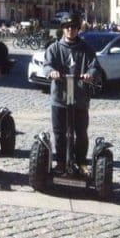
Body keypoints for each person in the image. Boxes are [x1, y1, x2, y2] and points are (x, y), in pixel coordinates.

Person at [43, 12, 101, 175]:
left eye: (74, 27)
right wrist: (52, 72)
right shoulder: (54, 48)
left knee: (81, 132)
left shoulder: (86, 49)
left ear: (78, 29)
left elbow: (94, 66)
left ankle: (81, 162)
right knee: (59, 132)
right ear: (63, 29)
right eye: (67, 27)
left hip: (79, 96)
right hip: (60, 97)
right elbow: (47, 65)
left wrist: (91, 73)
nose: (70, 30)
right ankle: (61, 162)